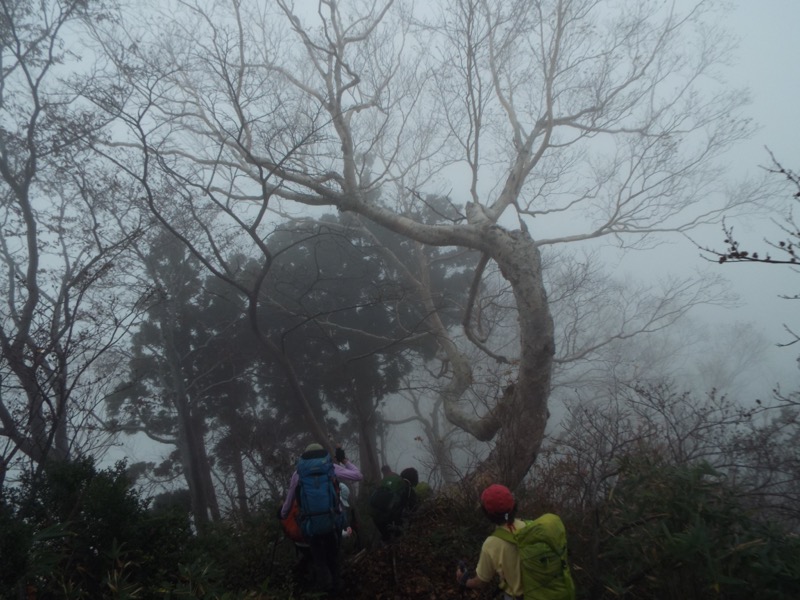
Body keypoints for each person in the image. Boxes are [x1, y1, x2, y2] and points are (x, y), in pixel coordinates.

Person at [280, 443, 362, 595]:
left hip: (311, 525)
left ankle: (326, 590)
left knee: (319, 560)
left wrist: (283, 514)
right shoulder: (330, 468)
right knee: (333, 557)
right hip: (332, 522)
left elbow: (289, 501)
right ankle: (339, 588)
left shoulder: (299, 473)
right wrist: (344, 461)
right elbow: (358, 476)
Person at [455, 484, 525, 600]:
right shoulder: (529, 526)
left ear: (488, 514)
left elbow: (480, 582)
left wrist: (464, 581)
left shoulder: (491, 544)